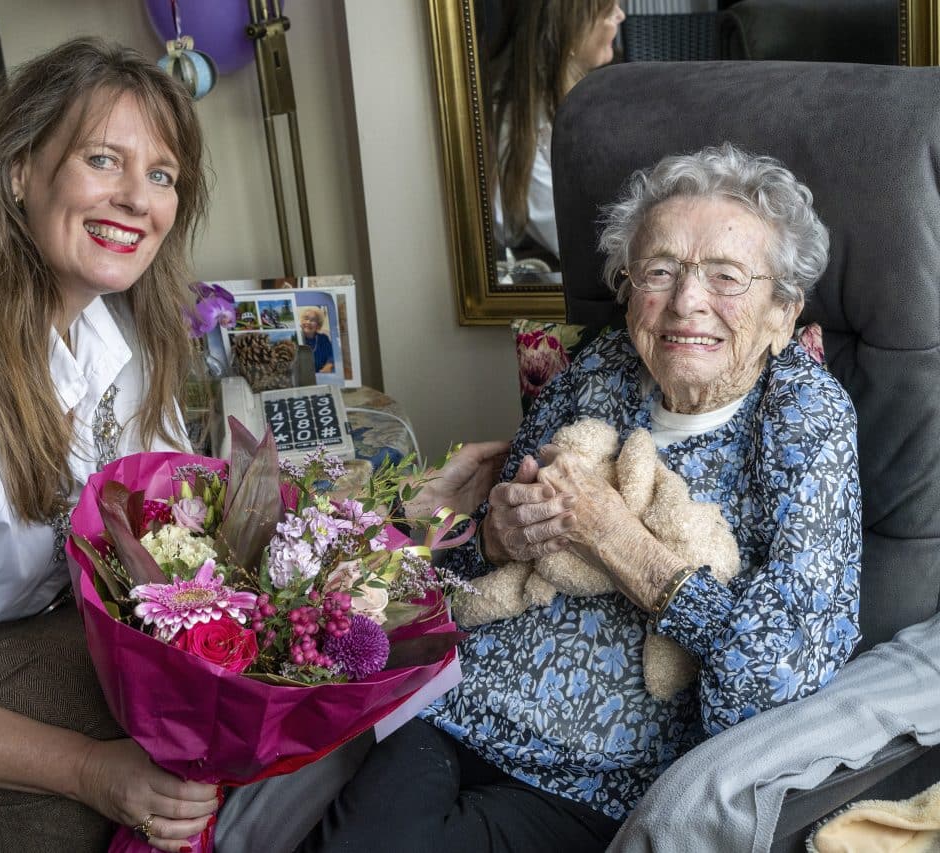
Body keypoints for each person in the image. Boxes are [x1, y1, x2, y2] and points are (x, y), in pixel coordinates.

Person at [300, 143, 861, 852]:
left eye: (727, 276)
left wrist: (620, 541)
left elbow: (778, 674)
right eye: (660, 271)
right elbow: (474, 563)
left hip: (596, 779)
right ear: (630, 287)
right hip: (455, 710)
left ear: (783, 311)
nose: (688, 302)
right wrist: (493, 536)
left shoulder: (806, 419)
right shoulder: (598, 368)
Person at [0, 37, 219, 852]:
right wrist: (89, 768)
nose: (136, 198)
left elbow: (177, 518)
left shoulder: (108, 325)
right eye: (102, 159)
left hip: (30, 626)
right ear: (21, 170)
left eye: (160, 175)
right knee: (84, 813)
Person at [489, 0, 625, 262]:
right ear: (571, 29)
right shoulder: (519, 127)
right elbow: (578, 242)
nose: (620, 15)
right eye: (608, 12)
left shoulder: (585, 93)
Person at [299, 305, 335, 373]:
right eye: (306, 318)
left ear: (318, 325)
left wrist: (329, 365)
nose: (308, 322)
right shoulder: (296, 338)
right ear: (301, 321)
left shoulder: (323, 338)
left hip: (321, 375)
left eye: (313, 320)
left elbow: (332, 355)